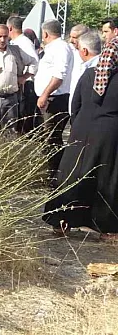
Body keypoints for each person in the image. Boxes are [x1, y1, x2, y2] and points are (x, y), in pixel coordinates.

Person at [42, 34, 118, 239]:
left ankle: (61, 223)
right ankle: (107, 229)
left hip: (81, 131)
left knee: (72, 175)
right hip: (110, 136)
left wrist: (78, 127)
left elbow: (75, 105)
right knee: (106, 179)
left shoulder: (90, 74)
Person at [34, 19, 74, 184]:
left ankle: (55, 176)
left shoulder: (60, 48)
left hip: (55, 99)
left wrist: (45, 94)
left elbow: (59, 75)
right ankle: (53, 174)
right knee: (49, 138)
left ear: (45, 33)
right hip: (51, 98)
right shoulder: (54, 48)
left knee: (51, 139)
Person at [8, 17, 42, 135]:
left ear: (10, 28)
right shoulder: (15, 42)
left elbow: (35, 62)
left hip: (27, 86)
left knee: (25, 117)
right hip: (19, 86)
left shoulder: (23, 43)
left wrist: (24, 77)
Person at [69, 31, 102, 116]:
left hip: (88, 116)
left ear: (84, 51)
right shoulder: (104, 66)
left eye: (78, 49)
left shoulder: (93, 70)